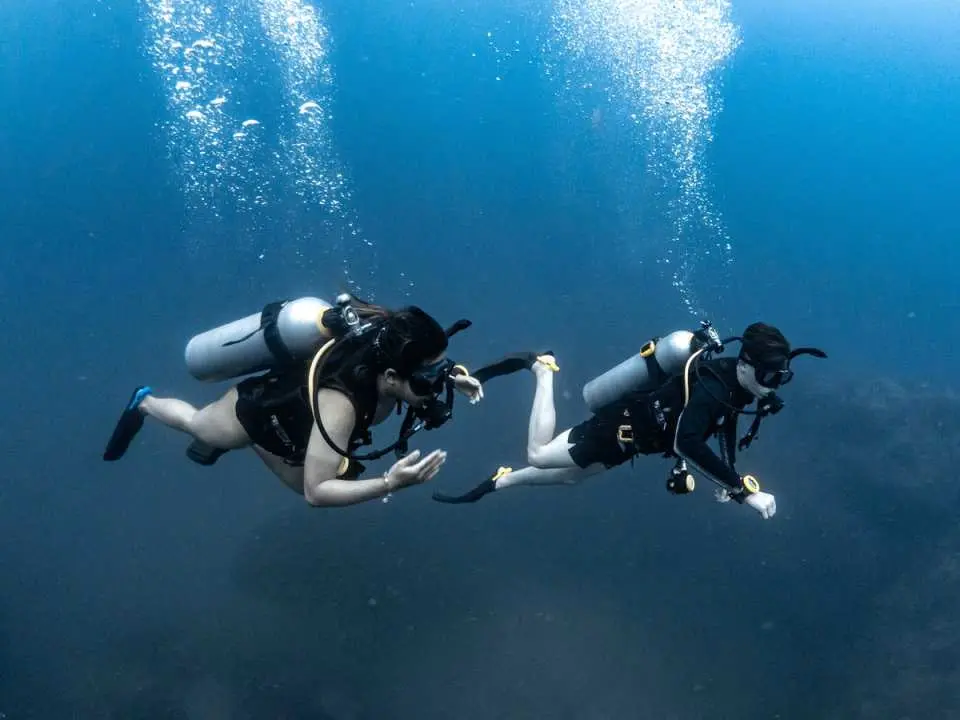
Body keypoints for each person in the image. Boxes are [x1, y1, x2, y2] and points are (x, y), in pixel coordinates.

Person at [103, 295, 485, 507]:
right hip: (258, 412)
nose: (436, 386)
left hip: (303, 426)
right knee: (200, 425)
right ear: (390, 377)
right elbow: (315, 494)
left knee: (321, 473)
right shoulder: (341, 406)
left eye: (441, 370)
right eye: (429, 379)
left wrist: (452, 374)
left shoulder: (392, 341)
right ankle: (145, 403)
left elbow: (423, 364)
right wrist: (389, 483)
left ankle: (266, 448)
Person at [432, 322, 826, 520]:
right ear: (745, 364)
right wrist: (742, 490)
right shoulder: (713, 388)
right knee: (537, 455)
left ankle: (499, 481)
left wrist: (732, 480)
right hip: (617, 429)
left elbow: (724, 426)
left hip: (633, 440)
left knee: (571, 477)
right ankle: (542, 369)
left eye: (781, 379)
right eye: (771, 377)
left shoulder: (737, 388)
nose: (774, 387)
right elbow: (687, 442)